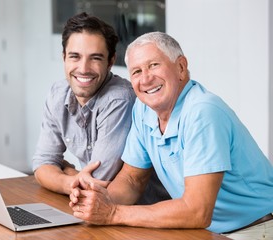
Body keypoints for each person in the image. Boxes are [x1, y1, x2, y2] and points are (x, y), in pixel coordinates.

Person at [69, 32, 273, 239]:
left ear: (181, 67)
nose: (146, 79)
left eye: (154, 65)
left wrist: (112, 213)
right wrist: (98, 201)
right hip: (205, 230)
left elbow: (197, 211)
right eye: (137, 71)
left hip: (253, 229)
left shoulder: (203, 112)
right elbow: (132, 179)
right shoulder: (143, 109)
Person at [32, 12, 170, 203]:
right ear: (64, 57)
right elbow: (41, 164)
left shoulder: (119, 99)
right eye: (75, 56)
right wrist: (71, 180)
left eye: (95, 58)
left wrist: (64, 170)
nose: (83, 68)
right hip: (97, 207)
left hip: (141, 212)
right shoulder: (58, 94)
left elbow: (97, 183)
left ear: (111, 61)